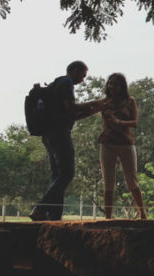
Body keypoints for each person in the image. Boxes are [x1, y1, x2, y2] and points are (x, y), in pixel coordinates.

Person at [30, 60, 101, 221]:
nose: (83, 79)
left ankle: (54, 215)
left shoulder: (55, 85)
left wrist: (94, 110)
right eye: (83, 75)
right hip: (59, 134)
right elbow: (72, 108)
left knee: (57, 175)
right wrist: (95, 102)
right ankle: (40, 208)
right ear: (75, 70)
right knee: (67, 173)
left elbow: (71, 115)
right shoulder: (66, 82)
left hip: (48, 135)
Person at [97, 73, 146, 220]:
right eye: (110, 83)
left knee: (132, 179)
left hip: (126, 143)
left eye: (116, 84)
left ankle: (142, 213)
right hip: (107, 144)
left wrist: (118, 122)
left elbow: (135, 122)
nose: (112, 86)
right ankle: (108, 217)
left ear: (122, 86)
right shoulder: (104, 102)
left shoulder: (130, 101)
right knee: (108, 181)